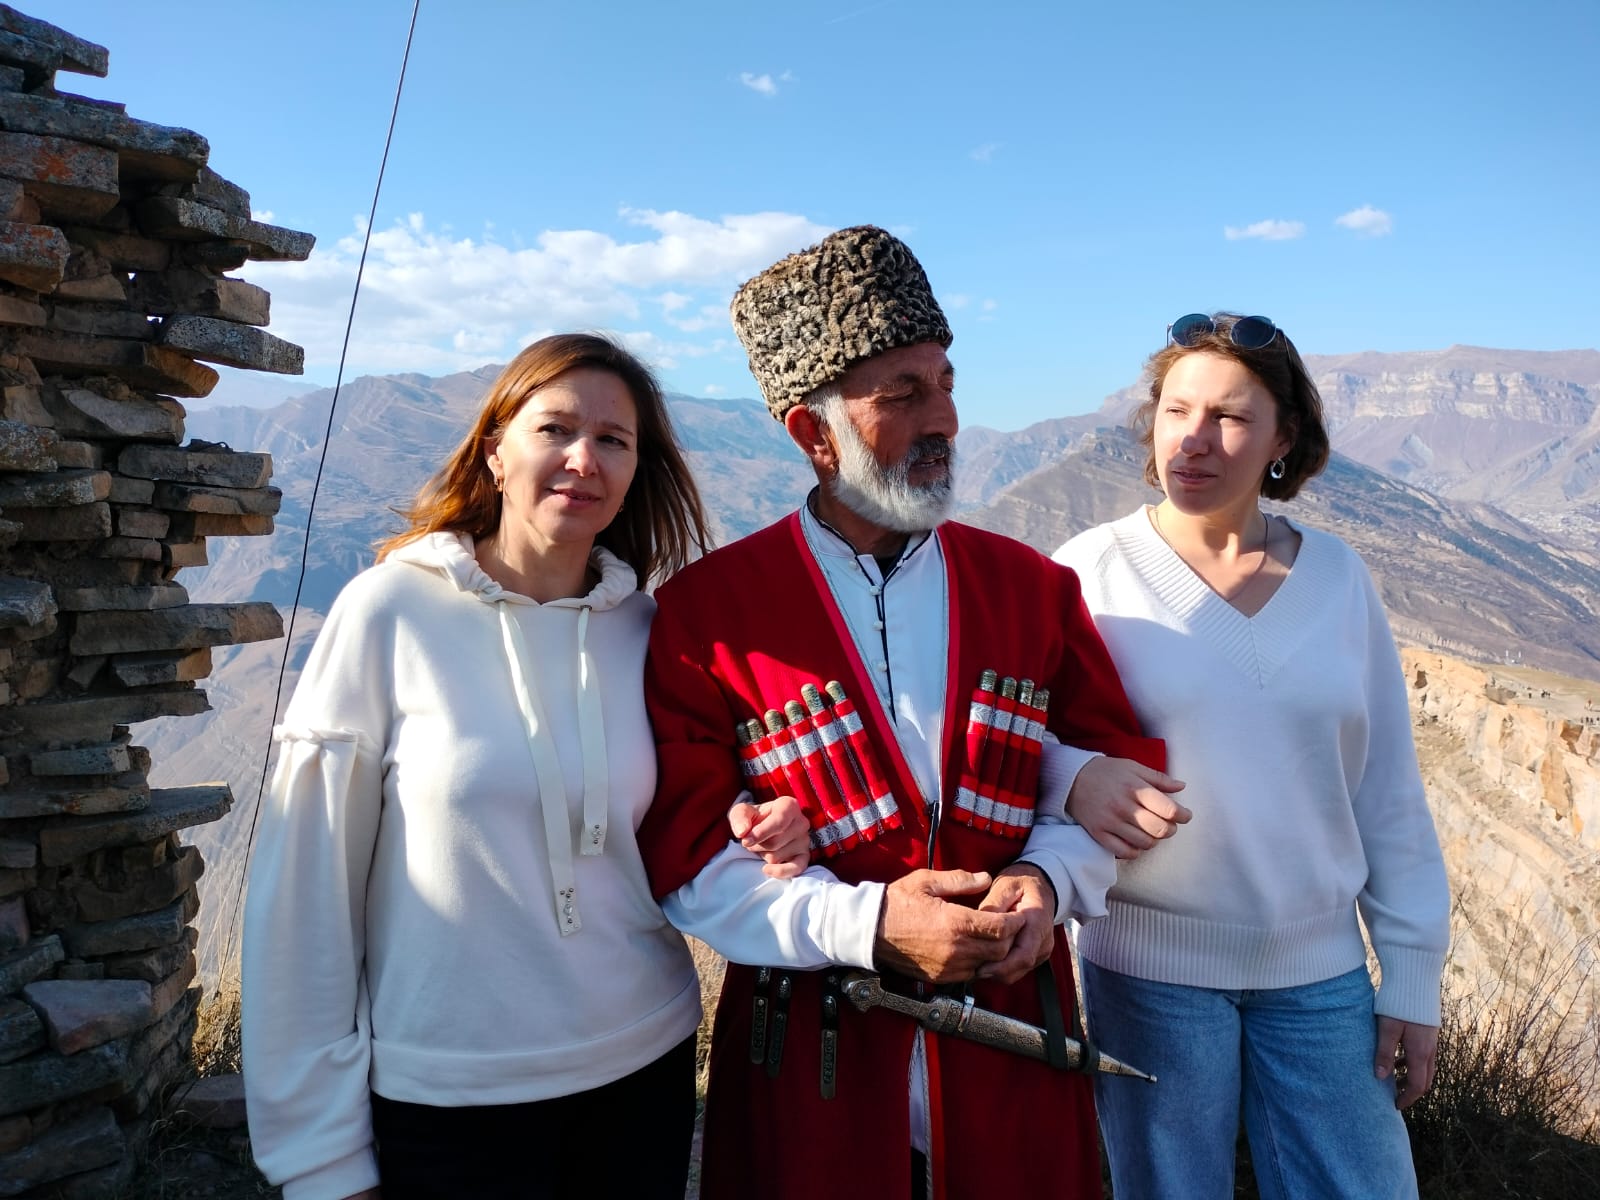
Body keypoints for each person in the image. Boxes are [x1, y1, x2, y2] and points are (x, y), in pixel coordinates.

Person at [637, 226, 1174, 1200]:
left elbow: (1111, 769)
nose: (947, 420)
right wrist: (870, 923)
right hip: (813, 1059)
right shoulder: (705, 617)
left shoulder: (1030, 589)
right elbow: (687, 857)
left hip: (1016, 1039)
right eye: (903, 394)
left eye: (946, 383)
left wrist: (1048, 881)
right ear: (813, 434)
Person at [241, 333, 806, 1200]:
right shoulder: (388, 613)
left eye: (614, 439)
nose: (585, 459)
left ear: (635, 472)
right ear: (495, 452)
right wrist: (318, 1159)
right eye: (555, 429)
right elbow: (302, 898)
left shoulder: (649, 633)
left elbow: (685, 809)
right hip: (451, 1097)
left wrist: (755, 820)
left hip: (644, 1067)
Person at [1052, 312, 1451, 1199]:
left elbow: (1387, 787)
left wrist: (1411, 973)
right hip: (1146, 975)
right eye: (1176, 410)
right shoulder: (1087, 573)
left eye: (1230, 417)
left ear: (1284, 438)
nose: (1193, 439)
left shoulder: (1340, 579)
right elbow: (1017, 741)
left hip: (1321, 975)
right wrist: (1072, 778)